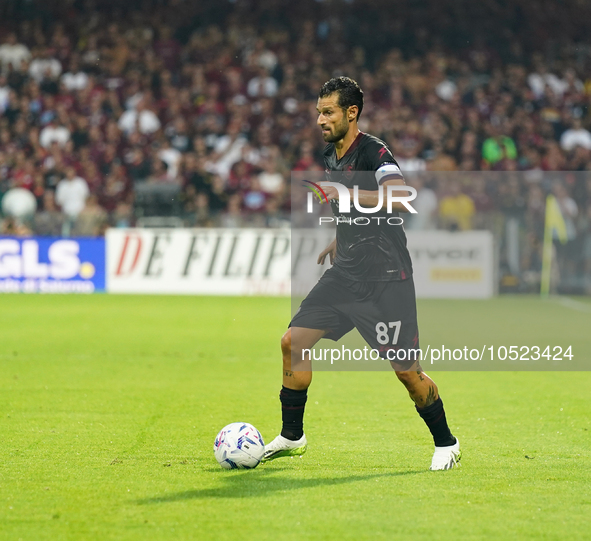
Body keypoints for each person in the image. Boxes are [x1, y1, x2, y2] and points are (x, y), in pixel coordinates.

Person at [263, 77, 461, 470]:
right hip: (346, 273)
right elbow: (349, 207)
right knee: (292, 342)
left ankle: (447, 442)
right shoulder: (331, 155)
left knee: (407, 373)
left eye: (328, 111)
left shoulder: (374, 152)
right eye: (318, 111)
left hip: (386, 280)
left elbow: (402, 198)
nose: (320, 119)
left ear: (351, 113)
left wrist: (348, 195)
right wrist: (341, 237)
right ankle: (292, 435)